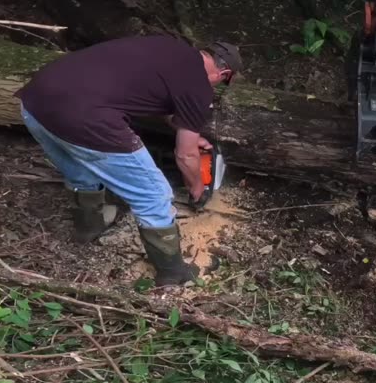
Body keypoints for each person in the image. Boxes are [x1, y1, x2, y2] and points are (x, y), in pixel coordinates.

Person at [15, 35, 243, 287]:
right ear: (223, 72)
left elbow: (161, 95)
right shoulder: (199, 86)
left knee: (80, 168)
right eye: (222, 82)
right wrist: (197, 187)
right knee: (154, 195)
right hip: (85, 118)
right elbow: (185, 155)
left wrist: (189, 130)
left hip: (35, 101)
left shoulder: (168, 46)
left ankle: (89, 225)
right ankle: (173, 273)